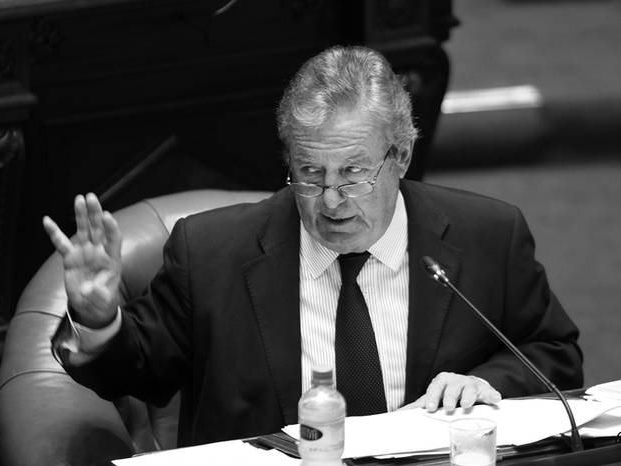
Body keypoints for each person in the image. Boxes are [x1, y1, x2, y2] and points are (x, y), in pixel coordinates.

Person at [44, 45, 582, 446]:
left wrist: (486, 383)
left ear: (400, 158)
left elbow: (554, 357)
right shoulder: (212, 253)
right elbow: (138, 368)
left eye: (352, 173)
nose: (330, 200)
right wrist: (98, 319)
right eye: (309, 173)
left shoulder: (487, 235)